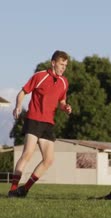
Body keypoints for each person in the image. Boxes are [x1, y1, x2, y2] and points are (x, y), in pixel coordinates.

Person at [8, 50, 72, 198]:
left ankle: (24, 190)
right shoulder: (40, 76)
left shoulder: (64, 82)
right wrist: (18, 106)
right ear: (53, 63)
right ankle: (13, 189)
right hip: (34, 119)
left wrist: (65, 107)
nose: (63, 68)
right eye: (61, 64)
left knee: (49, 160)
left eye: (66, 65)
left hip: (48, 123)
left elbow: (61, 102)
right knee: (28, 154)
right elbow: (22, 92)